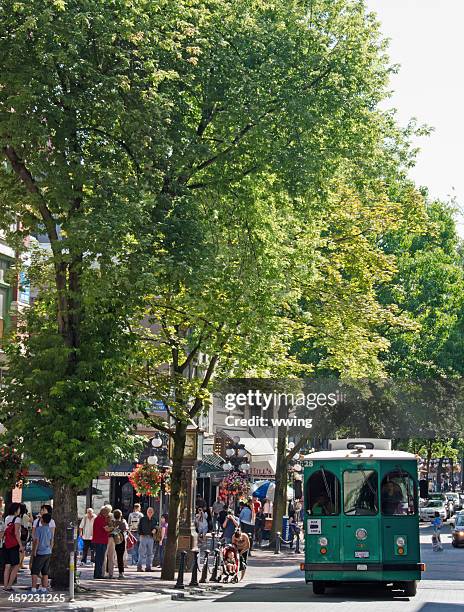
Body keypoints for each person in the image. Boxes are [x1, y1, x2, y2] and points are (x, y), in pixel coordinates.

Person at [29, 513, 53, 594]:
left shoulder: (39, 529)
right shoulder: (49, 529)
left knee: (34, 571)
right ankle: (44, 588)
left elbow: (36, 541)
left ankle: (33, 589)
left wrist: (34, 551)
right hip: (48, 552)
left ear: (42, 520)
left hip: (40, 552)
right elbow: (51, 541)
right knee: (45, 571)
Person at [3, 502, 22, 591]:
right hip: (14, 544)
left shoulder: (6, 518)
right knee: (16, 565)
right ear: (15, 510)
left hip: (6, 543)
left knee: (7, 565)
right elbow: (16, 533)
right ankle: (10, 585)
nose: (19, 510)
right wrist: (21, 545)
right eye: (18, 509)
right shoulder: (17, 519)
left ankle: (5, 585)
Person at [92, 506, 111, 579]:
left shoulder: (98, 518)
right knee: (100, 558)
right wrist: (113, 529)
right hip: (100, 541)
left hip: (100, 540)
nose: (108, 514)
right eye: (107, 513)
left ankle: (97, 573)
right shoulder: (101, 519)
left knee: (100, 558)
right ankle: (98, 574)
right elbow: (106, 529)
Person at [137, 507, 157, 572]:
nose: (150, 513)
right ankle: (139, 567)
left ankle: (148, 567)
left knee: (150, 553)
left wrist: (155, 530)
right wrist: (141, 534)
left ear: (153, 513)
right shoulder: (143, 519)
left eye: (151, 512)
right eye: (149, 512)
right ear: (147, 512)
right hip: (144, 537)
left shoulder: (154, 519)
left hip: (151, 537)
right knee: (142, 553)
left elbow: (156, 527)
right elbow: (139, 527)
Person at [112, 509, 128, 579]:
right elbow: (125, 530)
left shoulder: (112, 523)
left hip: (112, 540)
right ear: (120, 515)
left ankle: (109, 572)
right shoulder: (122, 523)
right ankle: (121, 573)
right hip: (121, 540)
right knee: (120, 557)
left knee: (110, 556)